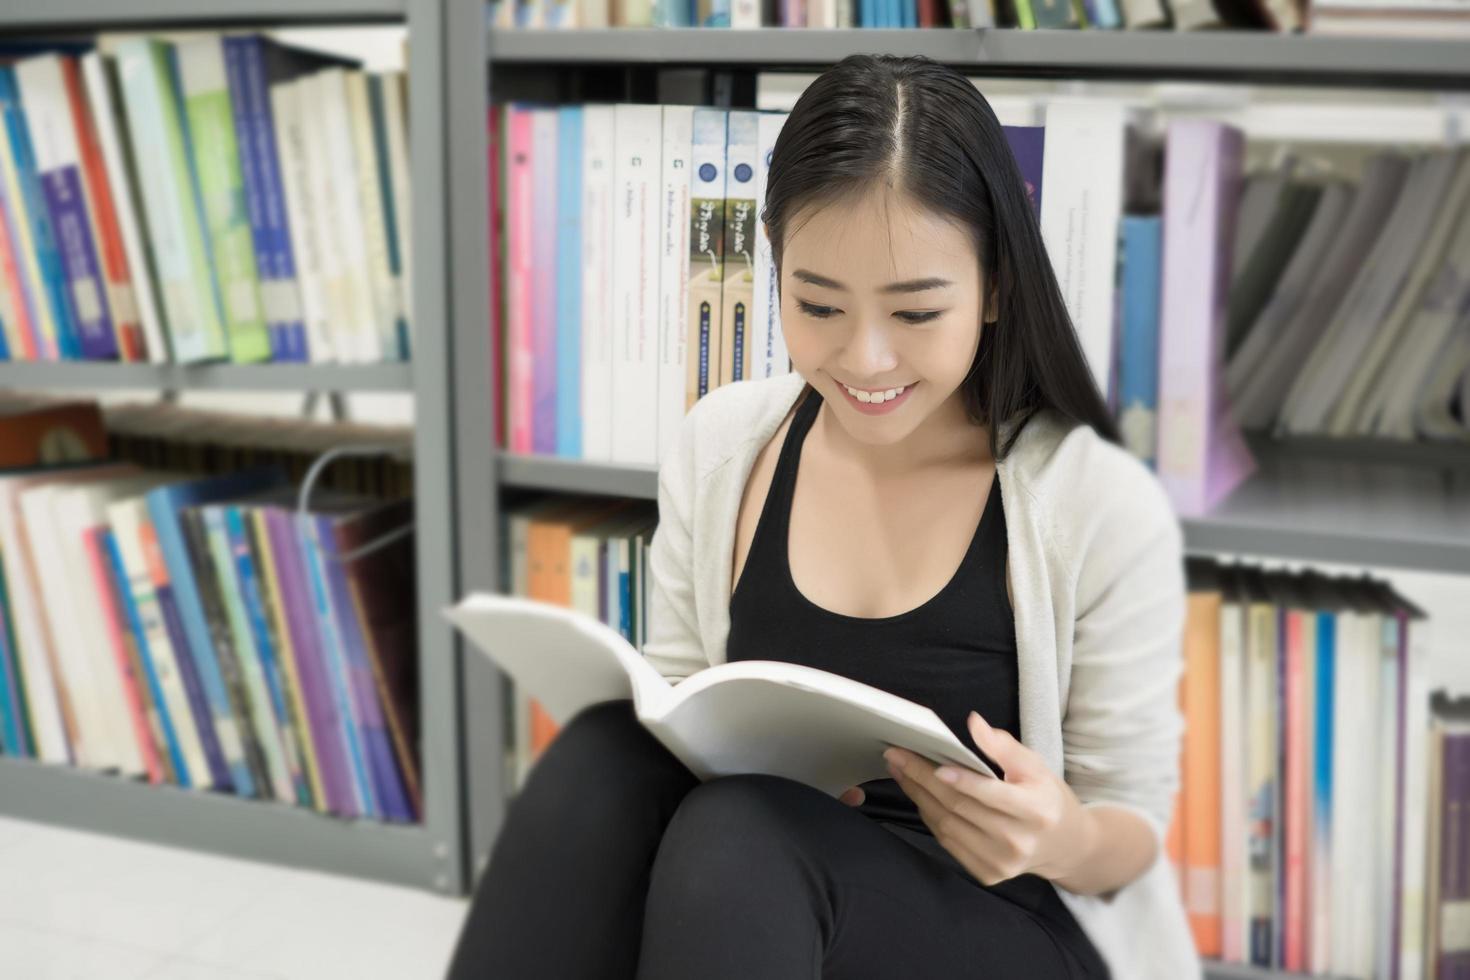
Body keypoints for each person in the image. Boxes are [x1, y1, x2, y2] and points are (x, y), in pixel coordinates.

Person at [447, 53, 1196, 980]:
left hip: (1010, 919)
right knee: (608, 757)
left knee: (739, 840)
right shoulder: (725, 447)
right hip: (762, 893)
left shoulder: (1092, 499)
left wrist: (1058, 836)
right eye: (818, 305)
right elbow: (680, 711)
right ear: (773, 265)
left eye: (917, 313)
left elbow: (1130, 841)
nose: (865, 360)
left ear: (996, 286)